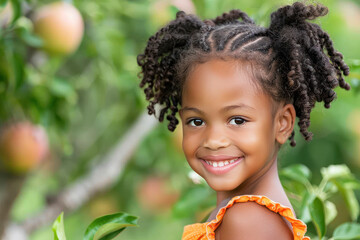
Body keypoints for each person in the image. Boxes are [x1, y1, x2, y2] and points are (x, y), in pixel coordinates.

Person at [137, 1, 351, 239]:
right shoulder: (244, 214)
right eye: (196, 121)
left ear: (282, 123)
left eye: (237, 120)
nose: (214, 140)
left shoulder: (247, 221)